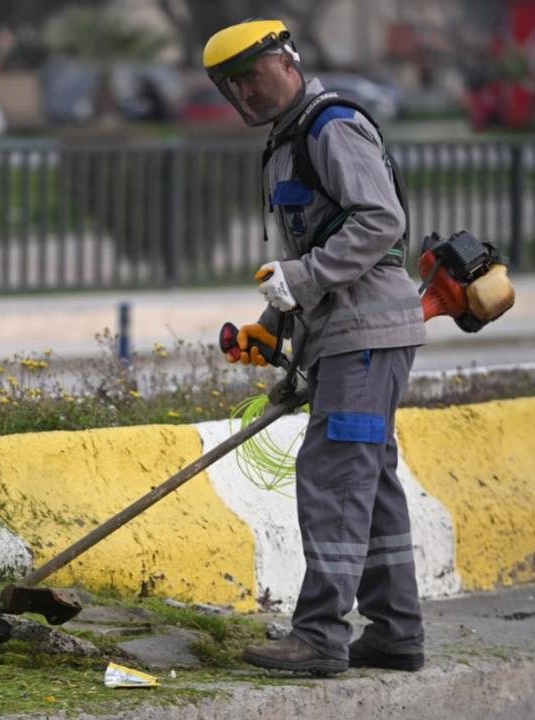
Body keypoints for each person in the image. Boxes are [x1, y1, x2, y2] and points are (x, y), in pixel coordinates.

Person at [203, 19, 427, 676]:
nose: (244, 92)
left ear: (287, 59)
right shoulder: (288, 143)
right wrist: (277, 326)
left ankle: (321, 636)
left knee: (331, 478)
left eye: (251, 74)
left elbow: (380, 220)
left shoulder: (332, 127)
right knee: (370, 481)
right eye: (230, 85)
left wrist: (299, 281)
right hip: (344, 338)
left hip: (366, 334)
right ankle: (396, 632)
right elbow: (315, 252)